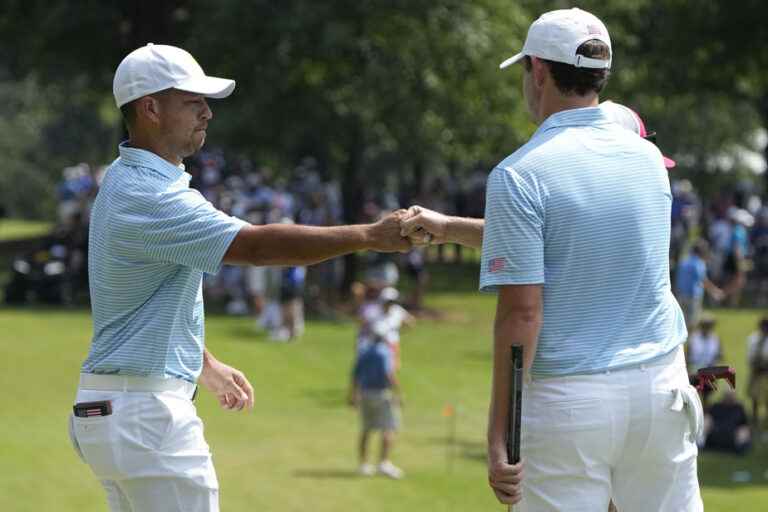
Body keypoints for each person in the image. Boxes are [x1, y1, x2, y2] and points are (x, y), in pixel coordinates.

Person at [68, 43, 409, 512]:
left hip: (119, 410)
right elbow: (257, 246)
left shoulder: (131, 182)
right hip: (145, 416)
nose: (207, 112)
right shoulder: (149, 194)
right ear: (150, 108)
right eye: (193, 101)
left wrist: (202, 363)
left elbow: (145, 301)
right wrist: (370, 235)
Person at [406, 9, 702, 510]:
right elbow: (569, 241)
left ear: (538, 70)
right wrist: (450, 228)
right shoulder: (649, 160)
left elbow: (522, 313)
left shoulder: (519, 174)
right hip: (661, 390)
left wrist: (499, 432)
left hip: (569, 402)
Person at [348, 320, 404, 479]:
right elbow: (389, 374)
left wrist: (352, 394)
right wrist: (399, 393)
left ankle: (363, 464)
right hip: (381, 393)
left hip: (365, 393)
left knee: (366, 429)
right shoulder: (385, 352)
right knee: (389, 428)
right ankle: (384, 463)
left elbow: (355, 374)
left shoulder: (364, 350)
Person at [675, 239, 724, 330]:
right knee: (693, 321)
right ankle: (691, 342)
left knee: (681, 321)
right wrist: (715, 291)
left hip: (680, 294)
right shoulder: (699, 263)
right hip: (693, 296)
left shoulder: (683, 261)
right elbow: (703, 280)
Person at [685, 314, 723, 407]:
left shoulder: (715, 339)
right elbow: (688, 355)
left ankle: (704, 415)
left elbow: (720, 354)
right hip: (695, 372)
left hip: (709, 372)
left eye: (709, 326)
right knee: (694, 397)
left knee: (706, 398)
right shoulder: (694, 338)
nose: (707, 328)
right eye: (705, 325)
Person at [703, 390, 752, 455]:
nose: (729, 398)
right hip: (715, 433)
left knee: (744, 431)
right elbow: (708, 418)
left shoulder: (739, 408)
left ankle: (740, 448)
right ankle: (701, 443)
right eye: (728, 396)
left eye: (731, 396)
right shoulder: (716, 406)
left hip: (733, 436)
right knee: (706, 420)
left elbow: (745, 425)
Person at [747, 316, 768, 430]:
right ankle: (754, 421)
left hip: (766, 373)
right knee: (754, 399)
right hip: (756, 372)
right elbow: (750, 357)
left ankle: (765, 424)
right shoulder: (753, 339)